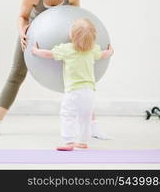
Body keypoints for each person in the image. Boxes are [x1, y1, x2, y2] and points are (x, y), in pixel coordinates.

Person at [0, 0, 104, 139]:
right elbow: (22, 16)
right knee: (16, 75)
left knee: (81, 76)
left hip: (62, 34)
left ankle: (93, 126)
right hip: (33, 34)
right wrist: (22, 32)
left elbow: (76, 18)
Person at [31, 18, 114, 150]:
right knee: (85, 117)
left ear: (71, 35)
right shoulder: (92, 50)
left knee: (67, 114)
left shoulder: (67, 49)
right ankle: (83, 141)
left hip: (74, 91)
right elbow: (104, 55)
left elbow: (48, 54)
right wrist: (110, 52)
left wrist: (35, 51)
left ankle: (69, 142)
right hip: (90, 91)